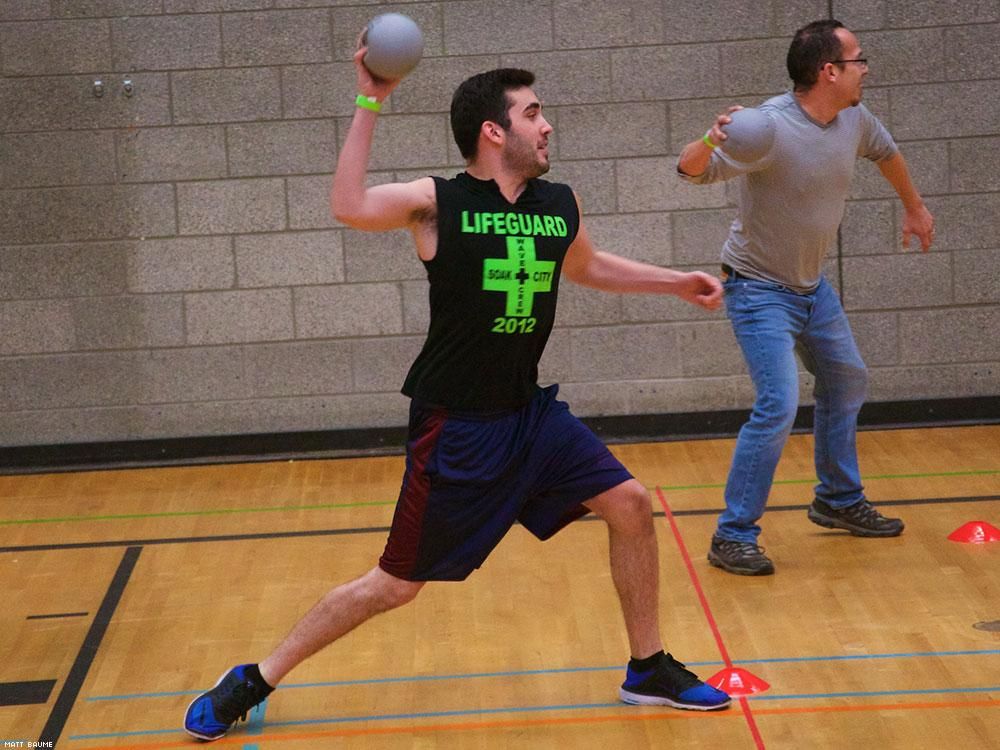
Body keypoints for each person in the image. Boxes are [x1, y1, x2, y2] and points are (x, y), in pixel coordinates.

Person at [182, 45, 733, 741]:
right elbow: (348, 205)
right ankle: (254, 679)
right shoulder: (438, 204)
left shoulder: (558, 204)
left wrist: (675, 282)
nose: (548, 125)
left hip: (529, 415)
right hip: (458, 429)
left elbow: (588, 267)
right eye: (534, 114)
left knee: (628, 504)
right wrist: (371, 98)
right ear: (493, 132)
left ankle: (647, 666)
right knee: (395, 585)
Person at [677, 19, 935, 576]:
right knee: (778, 404)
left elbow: (887, 154)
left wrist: (914, 208)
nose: (865, 69)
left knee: (847, 378)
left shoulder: (854, 118)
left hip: (813, 289)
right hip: (758, 290)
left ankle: (837, 500)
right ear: (830, 71)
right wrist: (707, 139)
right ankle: (732, 535)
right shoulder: (767, 128)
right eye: (858, 60)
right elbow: (688, 171)